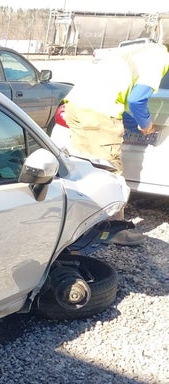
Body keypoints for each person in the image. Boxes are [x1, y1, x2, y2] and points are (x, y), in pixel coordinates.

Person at [63, 42, 169, 246]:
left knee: (84, 168)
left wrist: (130, 122)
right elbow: (137, 100)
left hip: (75, 105)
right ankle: (114, 230)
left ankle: (81, 224)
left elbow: (117, 90)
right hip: (99, 112)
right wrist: (146, 124)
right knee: (109, 172)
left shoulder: (137, 50)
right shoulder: (160, 56)